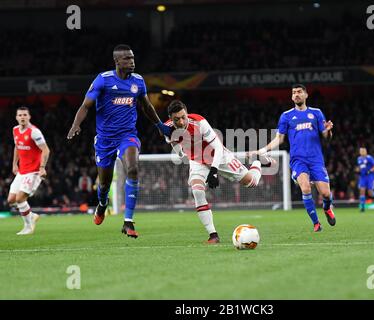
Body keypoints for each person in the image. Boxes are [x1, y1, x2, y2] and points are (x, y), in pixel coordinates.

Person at [67, 44, 171, 238]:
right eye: (127, 59)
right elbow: (85, 105)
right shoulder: (103, 80)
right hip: (105, 140)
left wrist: (160, 125)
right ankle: (102, 203)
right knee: (104, 184)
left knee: (132, 168)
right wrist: (76, 125)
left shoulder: (138, 82)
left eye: (132, 58)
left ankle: (128, 221)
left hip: (127, 135)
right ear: (117, 61)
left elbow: (147, 106)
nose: (132, 62)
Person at [165, 100, 274, 243]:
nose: (181, 121)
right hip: (197, 161)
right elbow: (175, 146)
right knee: (197, 191)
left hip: (219, 156)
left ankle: (258, 161)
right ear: (171, 119)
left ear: (187, 113)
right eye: (176, 119)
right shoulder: (167, 128)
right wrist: (180, 153)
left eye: (183, 117)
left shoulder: (199, 122)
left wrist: (214, 171)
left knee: (251, 182)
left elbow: (217, 147)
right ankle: (213, 235)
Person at [249, 84, 335, 232]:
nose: (296, 94)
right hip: (298, 160)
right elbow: (279, 139)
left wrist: (328, 131)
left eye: (299, 92)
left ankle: (327, 209)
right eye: (294, 92)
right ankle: (316, 223)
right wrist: (263, 149)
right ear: (291, 96)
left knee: (326, 194)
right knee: (306, 187)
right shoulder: (286, 116)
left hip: (316, 159)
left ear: (306, 95)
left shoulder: (316, 113)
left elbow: (326, 137)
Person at [7, 106, 50, 235]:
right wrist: (15, 164)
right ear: (16, 117)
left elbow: (46, 150)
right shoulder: (15, 130)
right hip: (22, 171)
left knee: (20, 198)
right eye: (20, 115)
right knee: (11, 200)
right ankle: (31, 215)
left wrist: (42, 167)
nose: (22, 117)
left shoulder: (34, 132)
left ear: (29, 117)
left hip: (34, 171)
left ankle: (28, 226)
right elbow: (17, 147)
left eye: (25, 115)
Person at [356, 147, 374, 212]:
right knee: (362, 191)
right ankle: (362, 207)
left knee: (370, 193)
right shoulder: (359, 159)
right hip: (362, 177)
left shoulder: (369, 158)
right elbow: (360, 167)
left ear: (366, 151)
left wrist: (370, 170)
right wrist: (358, 170)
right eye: (360, 151)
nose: (362, 152)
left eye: (363, 151)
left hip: (370, 176)